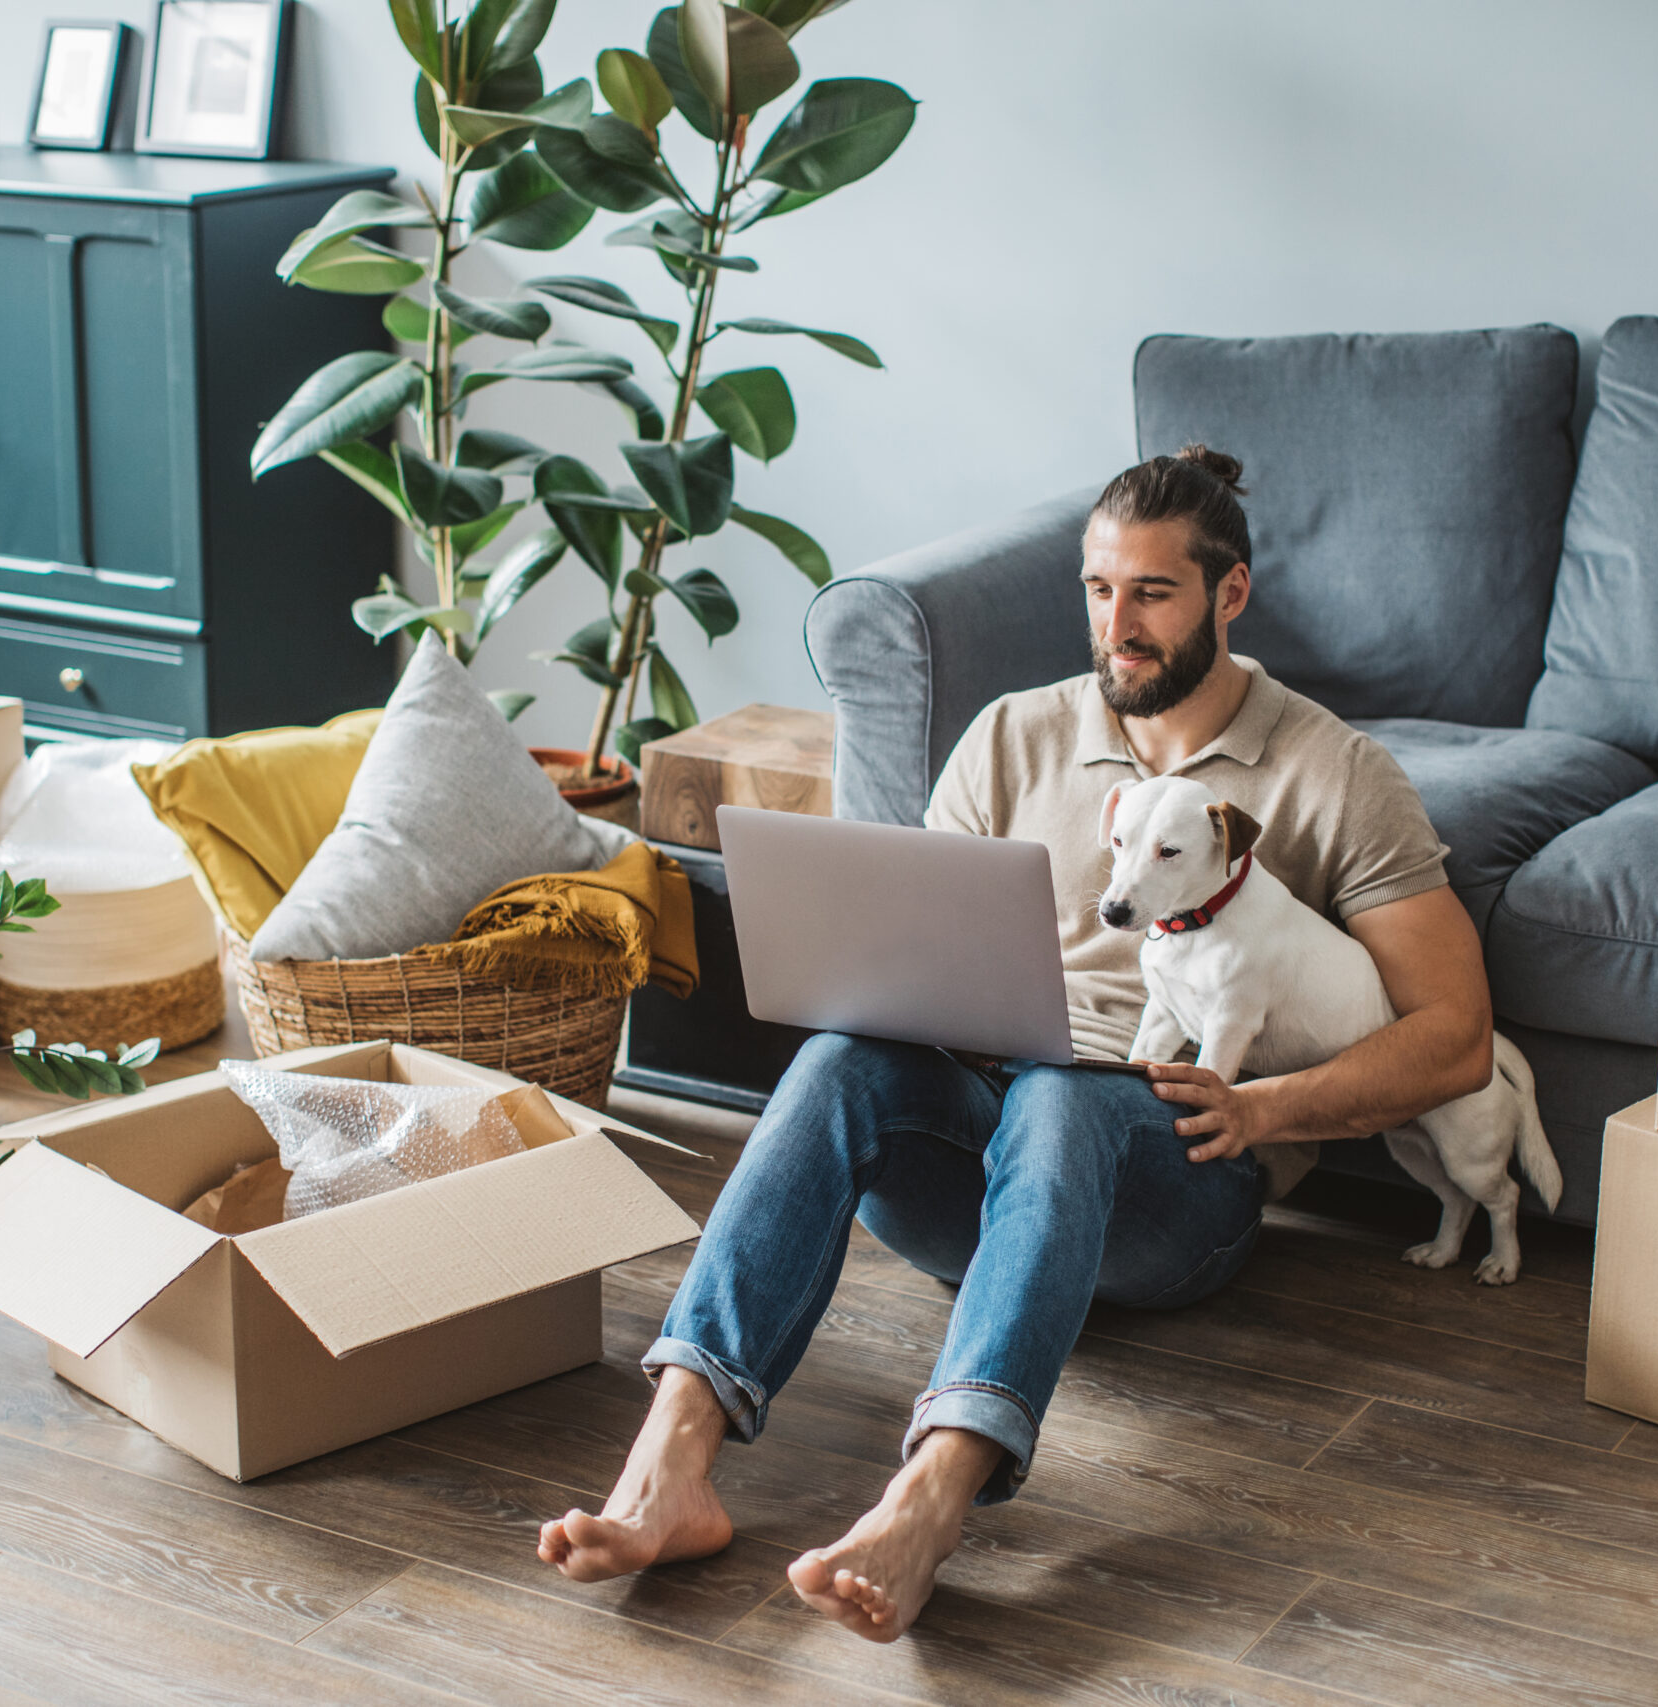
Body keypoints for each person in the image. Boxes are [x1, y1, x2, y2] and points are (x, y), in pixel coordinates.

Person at [536, 445, 1495, 1641]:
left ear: (1230, 595)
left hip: (1174, 1186)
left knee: (1067, 1097)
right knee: (842, 1059)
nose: (1118, 624)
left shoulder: (1333, 772)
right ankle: (668, 1467)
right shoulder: (1010, 737)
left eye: (1153, 593)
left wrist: (1264, 1110)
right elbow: (912, 953)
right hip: (973, 1167)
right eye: (1099, 590)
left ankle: (933, 1497)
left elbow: (1455, 1039)